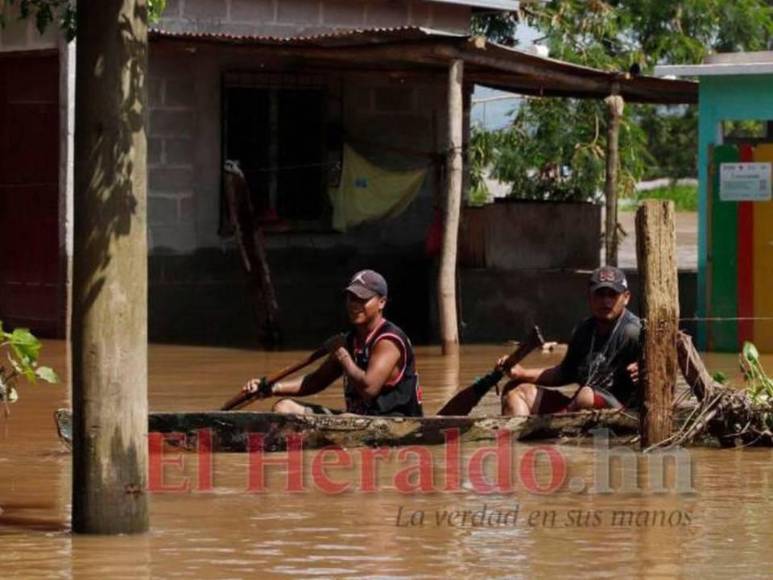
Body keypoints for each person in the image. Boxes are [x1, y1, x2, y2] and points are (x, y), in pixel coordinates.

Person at [242, 270, 423, 417]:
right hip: (357, 420)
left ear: (381, 302)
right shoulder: (350, 341)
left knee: (347, 419)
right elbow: (316, 381)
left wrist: (342, 354)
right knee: (284, 407)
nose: (354, 304)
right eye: (351, 298)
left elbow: (369, 389)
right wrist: (271, 388)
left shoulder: (388, 341)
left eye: (362, 299)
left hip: (395, 422)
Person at [501, 266, 641, 416]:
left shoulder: (635, 332)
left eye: (612, 294)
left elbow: (660, 370)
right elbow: (564, 373)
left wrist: (648, 370)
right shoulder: (584, 330)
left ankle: (558, 421)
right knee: (515, 390)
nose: (605, 301)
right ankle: (522, 431)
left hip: (622, 411)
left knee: (586, 396)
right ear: (590, 297)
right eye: (600, 294)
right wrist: (521, 373)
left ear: (626, 297)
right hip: (579, 406)